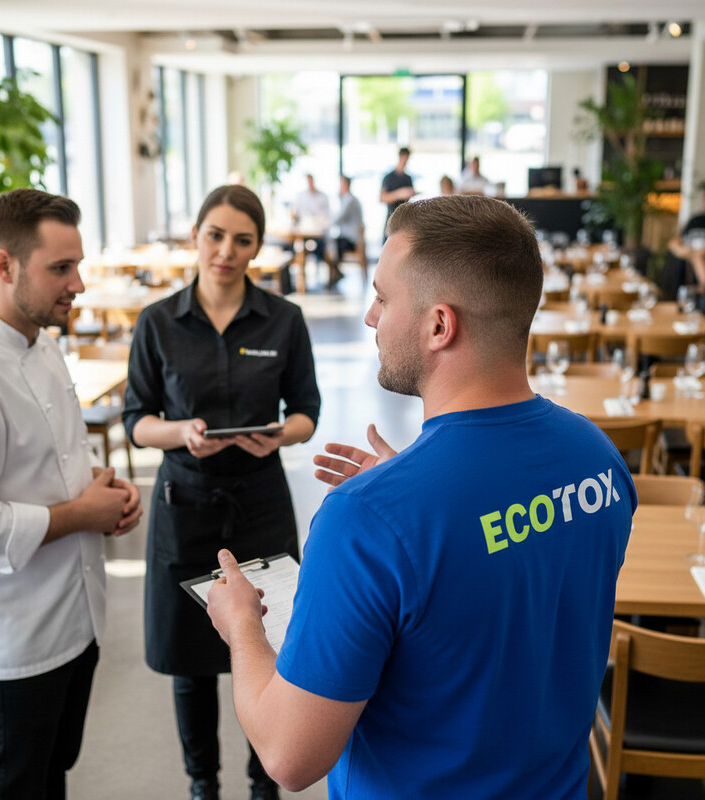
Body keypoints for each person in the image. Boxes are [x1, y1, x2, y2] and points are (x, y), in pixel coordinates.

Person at [206, 194, 636, 799]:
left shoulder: (366, 523)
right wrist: (410, 494)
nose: (369, 317)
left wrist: (242, 626)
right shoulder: (598, 459)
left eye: (382, 296)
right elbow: (514, 576)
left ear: (439, 324)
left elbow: (288, 755)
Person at [0, 188, 143, 800]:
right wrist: (80, 512)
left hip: (72, 617)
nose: (80, 284)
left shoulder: (42, 342)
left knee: (50, 779)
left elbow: (60, 451)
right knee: (14, 788)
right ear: (4, 266)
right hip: (10, 641)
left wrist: (101, 486)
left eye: (79, 265)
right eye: (61, 268)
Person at [122, 184, 321, 800]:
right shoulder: (159, 322)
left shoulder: (283, 319)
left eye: (242, 240)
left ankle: (264, 785)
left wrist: (279, 434)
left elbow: (307, 411)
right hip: (187, 503)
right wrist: (180, 432)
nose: (226, 251)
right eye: (216, 235)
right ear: (195, 237)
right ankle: (201, 784)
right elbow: (137, 420)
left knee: (271, 645)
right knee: (190, 660)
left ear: (258, 247)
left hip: (260, 499)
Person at [289, 173, 333, 279]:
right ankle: (299, 278)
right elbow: (295, 213)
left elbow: (327, 217)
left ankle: (331, 270)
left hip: (319, 232)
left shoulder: (323, 197)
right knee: (293, 246)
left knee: (321, 246)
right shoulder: (300, 196)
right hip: (304, 231)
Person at [330, 175, 364, 286]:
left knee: (331, 244)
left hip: (351, 239)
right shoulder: (350, 199)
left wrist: (325, 222)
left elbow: (339, 218)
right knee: (331, 243)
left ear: (345, 185)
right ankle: (336, 272)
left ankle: (336, 272)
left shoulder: (349, 201)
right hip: (352, 236)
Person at [379, 146, 415, 241]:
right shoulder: (389, 177)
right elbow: (382, 198)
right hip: (391, 218)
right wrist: (399, 194)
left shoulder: (408, 178)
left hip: (404, 220)